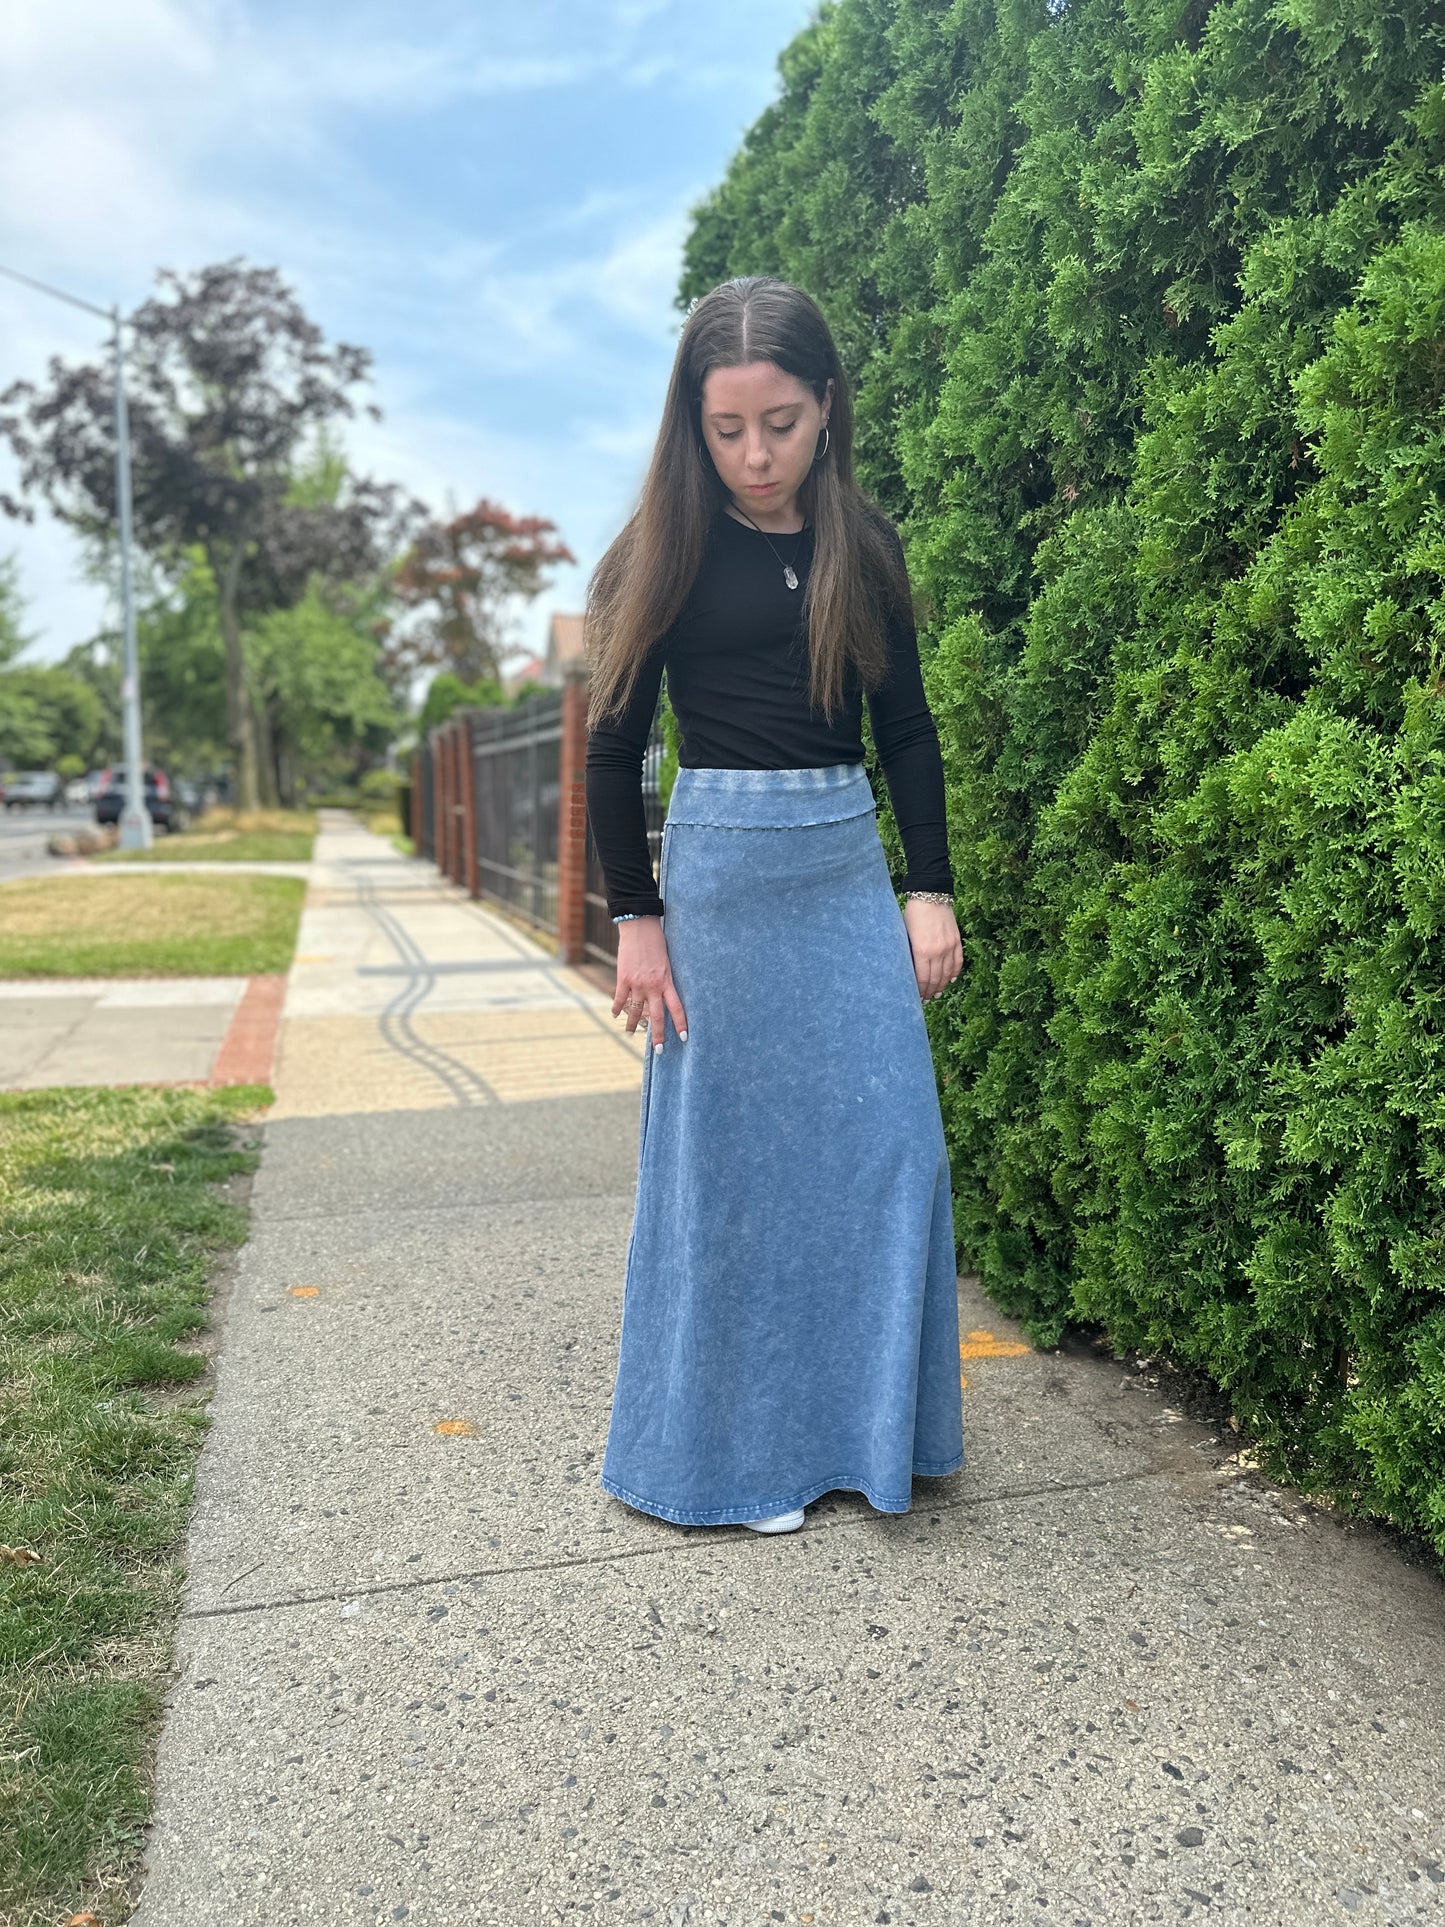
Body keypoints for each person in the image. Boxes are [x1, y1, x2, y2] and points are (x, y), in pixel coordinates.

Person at [584, 274, 965, 1536]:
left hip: (844, 871)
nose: (755, 453)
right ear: (691, 422)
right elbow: (610, 748)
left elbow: (905, 729)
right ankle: (735, 1460)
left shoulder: (862, 542)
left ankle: (866, 1437)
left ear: (824, 408)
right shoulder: (661, 552)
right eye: (727, 427)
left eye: (781, 423)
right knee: (731, 1179)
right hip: (721, 889)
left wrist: (928, 890)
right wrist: (636, 919)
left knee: (887, 1149)